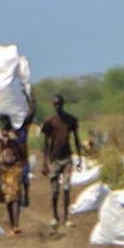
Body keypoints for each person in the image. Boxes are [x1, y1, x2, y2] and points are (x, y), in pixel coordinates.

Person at [40, 93, 81, 229]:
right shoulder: (49, 121)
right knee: (55, 190)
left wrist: (79, 158)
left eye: (59, 104)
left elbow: (76, 139)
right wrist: (45, 162)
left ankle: (67, 218)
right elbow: (45, 143)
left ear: (63, 104)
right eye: (55, 104)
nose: (57, 106)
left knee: (67, 188)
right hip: (54, 160)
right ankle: (55, 217)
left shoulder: (71, 120)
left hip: (67, 158)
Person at [0, 115, 27, 235]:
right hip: (4, 169)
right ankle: (13, 225)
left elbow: (23, 153)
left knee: (15, 195)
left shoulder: (15, 138)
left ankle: (16, 225)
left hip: (15, 168)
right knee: (8, 197)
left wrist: (14, 141)